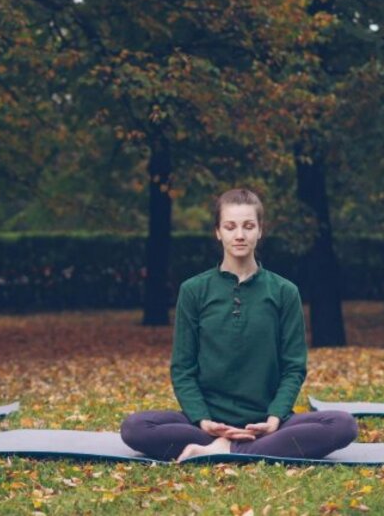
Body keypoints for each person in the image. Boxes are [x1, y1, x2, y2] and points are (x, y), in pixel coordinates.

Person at [121, 189, 357, 461]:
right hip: (207, 425)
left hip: (267, 425)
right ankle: (233, 446)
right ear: (218, 232)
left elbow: (293, 367)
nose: (240, 235)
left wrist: (275, 417)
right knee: (135, 427)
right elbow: (183, 368)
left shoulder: (284, 292)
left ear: (260, 230)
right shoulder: (194, 290)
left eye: (248, 226)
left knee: (343, 425)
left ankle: (226, 449)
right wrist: (201, 420)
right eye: (230, 227)